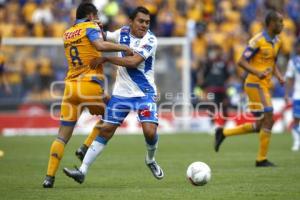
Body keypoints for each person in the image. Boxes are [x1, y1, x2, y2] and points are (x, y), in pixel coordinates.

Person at [63, 6, 164, 184]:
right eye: (141, 21)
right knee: (106, 130)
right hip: (121, 94)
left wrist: (106, 58)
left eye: (147, 22)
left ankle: (150, 159)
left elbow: (133, 62)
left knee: (149, 131)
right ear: (131, 22)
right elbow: (102, 38)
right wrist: (95, 27)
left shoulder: (150, 40)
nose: (144, 25)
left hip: (144, 93)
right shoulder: (122, 32)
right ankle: (82, 171)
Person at [42, 2, 133, 188]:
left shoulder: (67, 33)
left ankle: (49, 177)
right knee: (113, 115)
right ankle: (85, 147)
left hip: (70, 89)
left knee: (61, 137)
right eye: (96, 15)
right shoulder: (91, 26)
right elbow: (98, 45)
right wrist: (123, 48)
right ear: (91, 15)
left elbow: (84, 48)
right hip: (89, 84)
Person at [214, 10, 285, 167]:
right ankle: (261, 159)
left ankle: (224, 133)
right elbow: (241, 62)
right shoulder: (257, 40)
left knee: (261, 124)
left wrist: (279, 76)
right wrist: (258, 72)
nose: (283, 25)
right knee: (269, 116)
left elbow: (273, 62)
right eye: (280, 22)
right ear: (271, 23)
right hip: (254, 84)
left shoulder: (278, 41)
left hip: (265, 85)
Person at [285, 38, 300, 151]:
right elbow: (289, 78)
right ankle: (296, 142)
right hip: (297, 94)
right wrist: (286, 94)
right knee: (296, 119)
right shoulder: (293, 61)